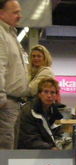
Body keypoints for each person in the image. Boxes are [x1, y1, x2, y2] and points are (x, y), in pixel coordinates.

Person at [0, 0, 30, 149]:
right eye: (15, 12)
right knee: (5, 150)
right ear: (1, 13)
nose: (20, 16)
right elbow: (0, 66)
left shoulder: (10, 33)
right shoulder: (1, 34)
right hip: (5, 105)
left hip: (14, 103)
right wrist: (1, 98)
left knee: (10, 148)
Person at [18, 78, 64, 150]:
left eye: (52, 92)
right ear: (39, 94)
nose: (49, 95)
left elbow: (59, 135)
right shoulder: (28, 111)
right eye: (45, 92)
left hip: (48, 151)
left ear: (56, 95)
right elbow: (29, 139)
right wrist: (50, 147)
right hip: (27, 152)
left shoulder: (55, 113)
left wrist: (59, 145)